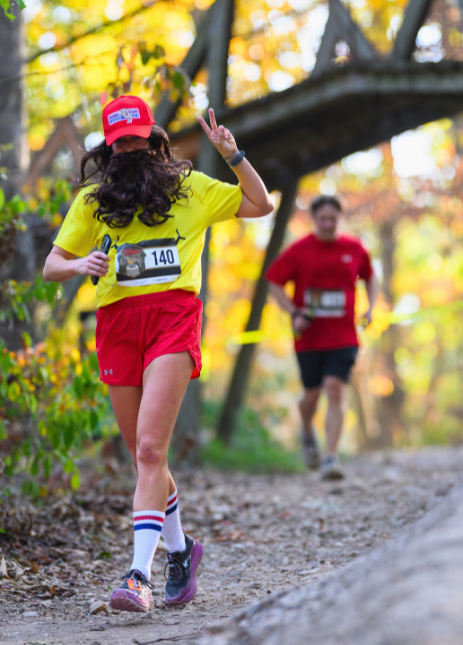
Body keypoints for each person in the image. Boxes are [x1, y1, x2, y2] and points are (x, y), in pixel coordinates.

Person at [43, 96, 273, 612]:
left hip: (173, 318)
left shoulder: (190, 189)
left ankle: (137, 577)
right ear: (109, 146)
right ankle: (181, 550)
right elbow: (50, 266)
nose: (129, 148)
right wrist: (80, 267)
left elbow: (261, 205)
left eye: (137, 138)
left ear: (153, 139)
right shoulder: (92, 202)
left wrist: (233, 156)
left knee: (150, 450)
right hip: (117, 326)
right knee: (145, 456)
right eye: (119, 140)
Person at [264, 195, 378, 480]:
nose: (328, 224)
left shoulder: (354, 248)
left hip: (344, 336)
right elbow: (274, 282)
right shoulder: (300, 250)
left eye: (333, 218)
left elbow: (370, 276)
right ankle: (306, 429)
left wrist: (371, 307)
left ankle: (330, 457)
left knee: (335, 388)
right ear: (314, 219)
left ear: (340, 218)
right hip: (309, 337)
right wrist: (294, 312)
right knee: (312, 396)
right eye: (322, 218)